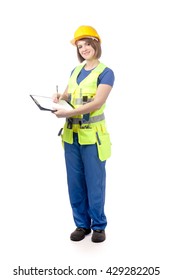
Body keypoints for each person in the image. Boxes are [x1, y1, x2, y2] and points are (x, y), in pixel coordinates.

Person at [52, 25, 115, 243]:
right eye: (80, 46)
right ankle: (81, 225)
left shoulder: (106, 73)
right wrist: (58, 97)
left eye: (87, 44)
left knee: (94, 182)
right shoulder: (75, 71)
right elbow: (68, 97)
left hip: (92, 138)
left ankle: (98, 226)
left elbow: (98, 102)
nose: (84, 48)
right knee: (75, 182)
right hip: (71, 136)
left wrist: (69, 111)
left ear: (96, 44)